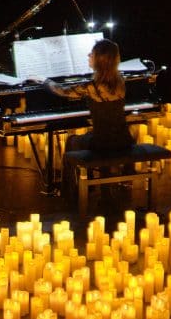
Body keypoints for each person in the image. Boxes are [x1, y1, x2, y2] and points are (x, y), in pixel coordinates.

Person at [39, 38, 134, 200]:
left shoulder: (92, 86)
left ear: (99, 60)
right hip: (124, 139)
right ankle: (101, 190)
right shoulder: (120, 81)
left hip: (103, 143)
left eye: (92, 54)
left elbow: (62, 91)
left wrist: (44, 80)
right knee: (92, 135)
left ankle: (71, 192)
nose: (89, 56)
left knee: (71, 141)